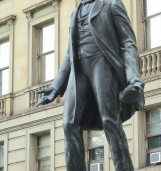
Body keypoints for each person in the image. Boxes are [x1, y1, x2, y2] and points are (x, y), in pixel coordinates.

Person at [36, 0, 145, 170]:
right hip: (78, 70)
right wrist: (56, 87)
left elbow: (128, 42)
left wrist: (132, 76)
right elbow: (69, 54)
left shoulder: (111, 4)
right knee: (69, 124)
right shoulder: (74, 13)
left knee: (110, 120)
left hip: (102, 64)